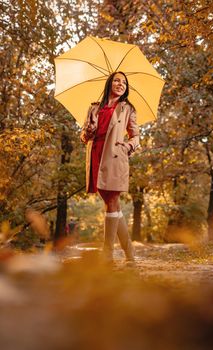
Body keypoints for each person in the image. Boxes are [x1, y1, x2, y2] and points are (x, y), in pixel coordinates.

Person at [80, 71, 140, 264]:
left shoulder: (128, 108)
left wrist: (128, 146)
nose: (120, 84)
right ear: (110, 83)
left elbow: (135, 136)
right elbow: (84, 137)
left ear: (126, 88)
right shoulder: (94, 108)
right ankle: (129, 254)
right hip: (96, 154)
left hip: (115, 156)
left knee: (112, 199)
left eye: (124, 82)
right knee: (111, 203)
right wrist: (89, 129)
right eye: (117, 80)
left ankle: (107, 254)